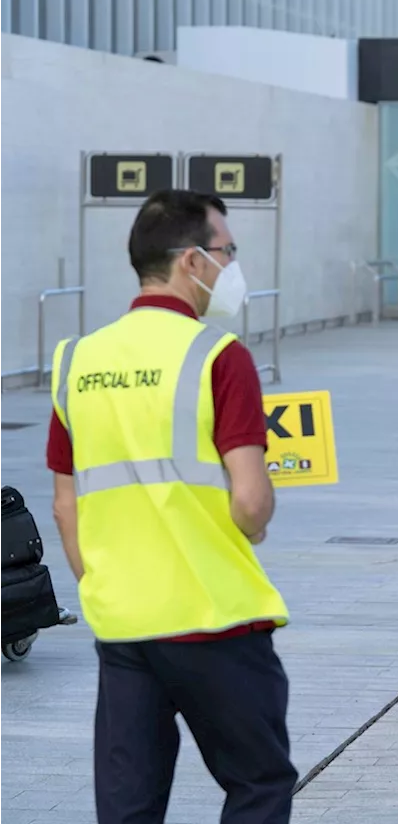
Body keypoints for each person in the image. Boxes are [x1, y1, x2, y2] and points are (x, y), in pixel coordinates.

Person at [47, 189, 295, 822]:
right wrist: (256, 516)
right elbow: (249, 500)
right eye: (225, 251)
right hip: (214, 616)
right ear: (191, 261)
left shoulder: (76, 361)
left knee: (129, 809)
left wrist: (104, 584)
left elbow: (65, 503)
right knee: (259, 784)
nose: (230, 266)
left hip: (125, 626)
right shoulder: (218, 355)